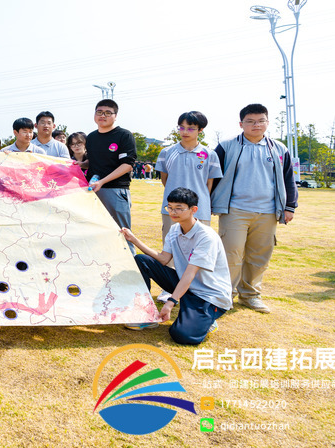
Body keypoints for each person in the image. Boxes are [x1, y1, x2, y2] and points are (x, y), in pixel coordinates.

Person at [210, 103, 298, 314]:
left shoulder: (279, 148)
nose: (255, 125)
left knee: (259, 256)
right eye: (250, 121)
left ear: (267, 123)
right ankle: (225, 294)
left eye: (260, 121)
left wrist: (290, 207)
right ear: (241, 124)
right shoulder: (227, 146)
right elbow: (211, 175)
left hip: (268, 211)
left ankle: (250, 295)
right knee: (231, 254)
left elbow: (288, 179)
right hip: (234, 210)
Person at [121, 188, 232, 345]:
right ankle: (146, 314)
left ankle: (207, 320)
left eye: (179, 208)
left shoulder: (206, 237)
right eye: (170, 207)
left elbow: (190, 273)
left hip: (208, 294)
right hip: (187, 286)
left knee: (182, 336)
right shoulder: (174, 229)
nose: (173, 212)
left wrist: (171, 301)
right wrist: (134, 240)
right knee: (142, 260)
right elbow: (163, 259)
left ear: (194, 210)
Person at [155, 111, 222, 241]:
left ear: (200, 130)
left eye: (191, 128)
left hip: (199, 209)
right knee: (171, 249)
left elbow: (209, 184)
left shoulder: (210, 154)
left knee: (199, 247)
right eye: (181, 127)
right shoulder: (166, 152)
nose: (185, 132)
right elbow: (165, 180)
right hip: (172, 209)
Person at [86, 100, 137, 241]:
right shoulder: (90, 137)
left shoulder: (123, 135)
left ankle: (129, 261)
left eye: (108, 113)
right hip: (93, 191)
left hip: (115, 190)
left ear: (115, 116)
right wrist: (81, 164)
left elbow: (127, 165)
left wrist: (102, 182)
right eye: (99, 112)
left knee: (121, 233)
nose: (103, 115)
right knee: (97, 232)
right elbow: (93, 161)